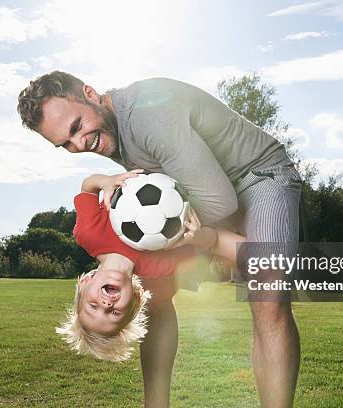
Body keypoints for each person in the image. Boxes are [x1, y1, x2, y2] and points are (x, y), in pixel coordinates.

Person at [18, 72, 302, 407]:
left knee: (267, 287)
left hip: (256, 176)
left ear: (90, 94)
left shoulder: (146, 115)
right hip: (205, 207)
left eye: (77, 126)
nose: (79, 145)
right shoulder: (107, 130)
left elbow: (219, 203)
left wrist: (156, 239)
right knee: (154, 295)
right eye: (65, 143)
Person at [56, 169, 244, 362]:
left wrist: (106, 181)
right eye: (114, 312)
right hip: (197, 186)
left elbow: (88, 186)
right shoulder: (158, 267)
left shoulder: (89, 234)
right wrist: (196, 236)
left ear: (85, 283)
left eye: (93, 306)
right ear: (135, 300)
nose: (105, 304)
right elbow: (210, 245)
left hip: (149, 164)